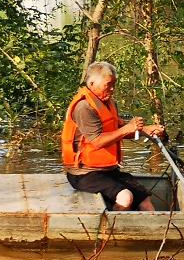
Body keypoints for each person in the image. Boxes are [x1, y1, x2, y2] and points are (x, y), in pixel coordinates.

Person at [62, 61, 165, 211]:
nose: (112, 89)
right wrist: (129, 128)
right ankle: (112, 231)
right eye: (108, 85)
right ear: (91, 83)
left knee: (145, 200)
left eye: (114, 85)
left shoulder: (108, 103)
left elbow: (117, 129)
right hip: (84, 174)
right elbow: (97, 141)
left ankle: (153, 231)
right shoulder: (84, 107)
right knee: (125, 197)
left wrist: (145, 130)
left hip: (108, 171)